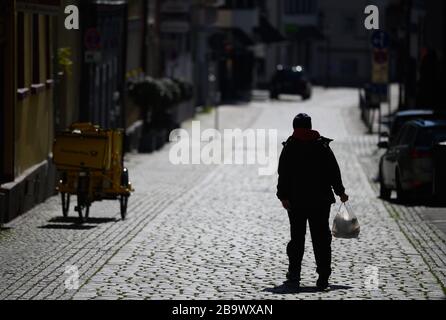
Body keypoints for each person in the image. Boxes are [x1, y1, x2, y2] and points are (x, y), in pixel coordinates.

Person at [277, 113, 349, 291]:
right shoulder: (322, 145)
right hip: (320, 201)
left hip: (296, 202)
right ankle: (323, 276)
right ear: (310, 126)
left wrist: (283, 196)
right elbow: (334, 171)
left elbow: (283, 173)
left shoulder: (291, 146)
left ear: (295, 127)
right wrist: (340, 192)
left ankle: (294, 275)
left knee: (297, 239)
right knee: (321, 239)